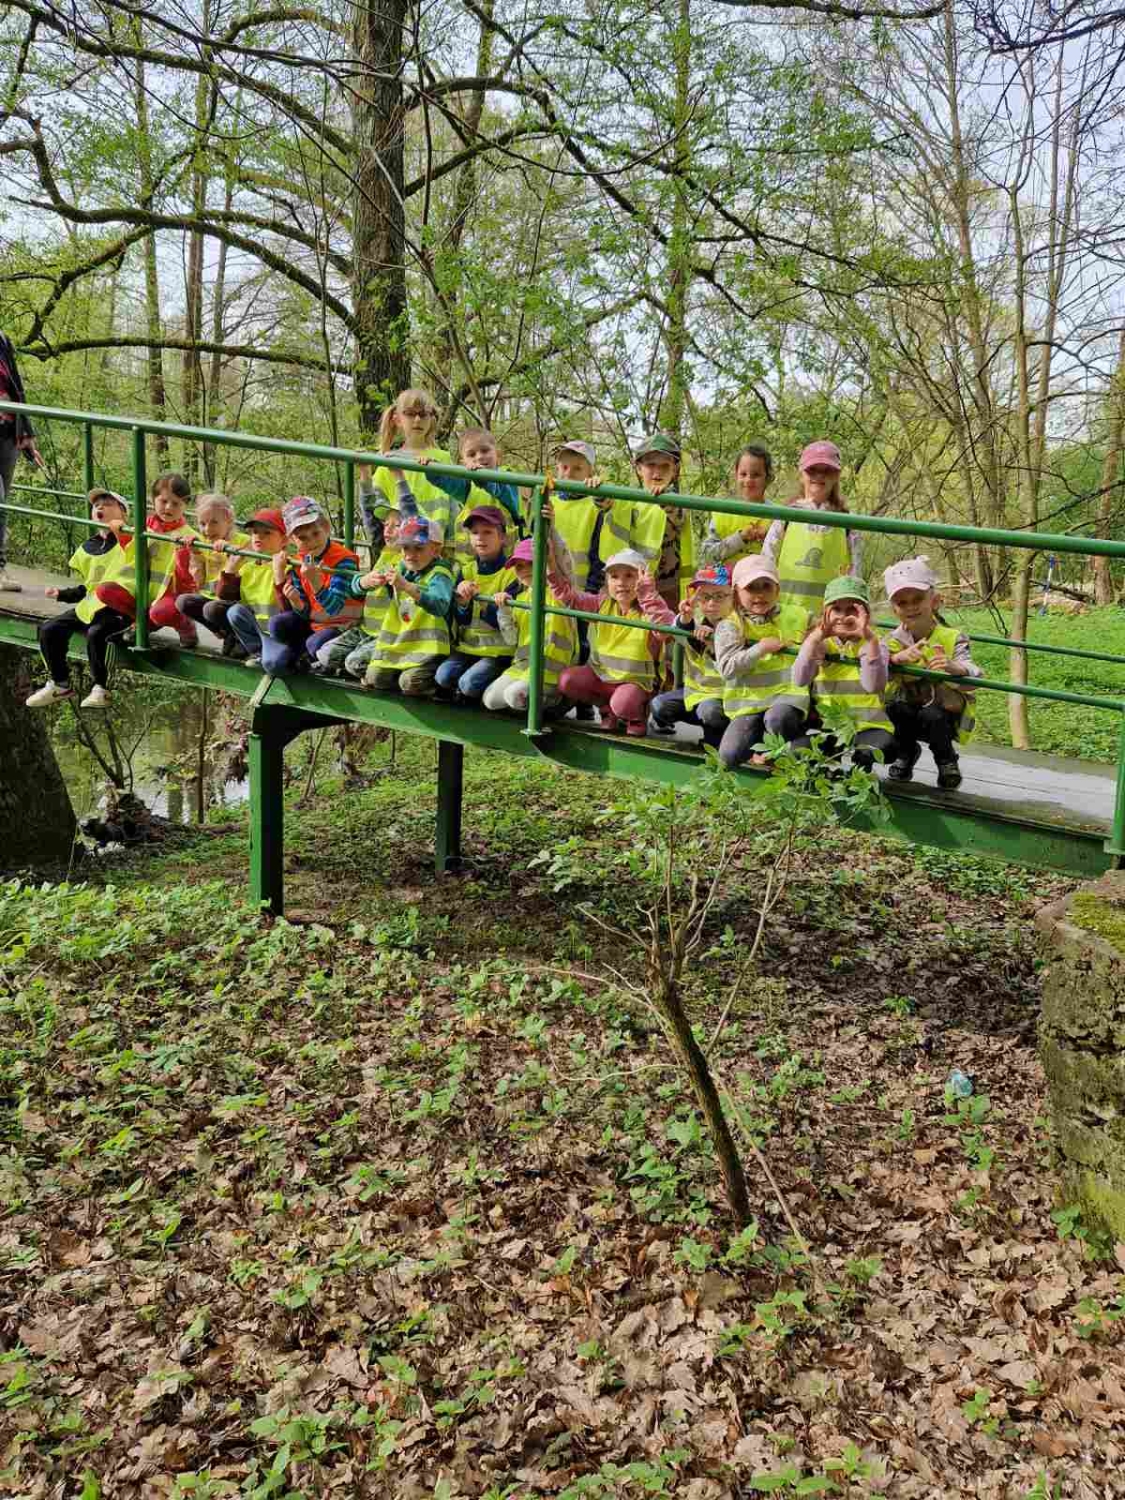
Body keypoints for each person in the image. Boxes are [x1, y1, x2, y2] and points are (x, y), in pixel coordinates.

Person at [26, 489, 132, 709]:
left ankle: (101, 688)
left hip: (119, 607)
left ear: (123, 512)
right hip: (91, 605)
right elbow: (89, 585)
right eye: (96, 505)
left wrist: (122, 531)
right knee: (49, 629)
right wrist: (63, 594)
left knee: (97, 633)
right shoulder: (90, 546)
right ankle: (60, 683)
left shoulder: (131, 541)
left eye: (108, 503)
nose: (100, 507)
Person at [883, 555, 980, 790]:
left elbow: (974, 676)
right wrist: (895, 659)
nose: (911, 607)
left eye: (918, 599)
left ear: (934, 601)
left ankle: (946, 761)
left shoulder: (953, 638)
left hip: (941, 713)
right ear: (894, 609)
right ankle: (906, 753)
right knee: (896, 709)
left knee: (933, 716)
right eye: (902, 603)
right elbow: (875, 669)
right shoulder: (891, 641)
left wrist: (953, 667)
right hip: (907, 707)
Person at [551, 546, 663, 736]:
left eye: (629, 576)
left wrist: (648, 596)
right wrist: (550, 565)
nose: (621, 583)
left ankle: (637, 716)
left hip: (635, 684)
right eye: (614, 577)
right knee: (568, 680)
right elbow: (568, 597)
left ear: (644, 579)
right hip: (603, 677)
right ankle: (606, 708)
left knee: (624, 702)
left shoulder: (651, 608)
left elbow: (665, 627)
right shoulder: (601, 603)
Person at [790, 575, 896, 772]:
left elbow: (873, 685)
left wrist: (870, 640)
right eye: (836, 609)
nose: (843, 616)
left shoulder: (875, 643)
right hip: (829, 725)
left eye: (852, 610)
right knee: (800, 749)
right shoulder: (820, 643)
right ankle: (827, 776)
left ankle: (859, 777)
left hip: (867, 724)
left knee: (873, 750)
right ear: (825, 612)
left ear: (865, 613)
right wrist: (813, 641)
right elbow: (799, 679)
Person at [714, 556, 809, 769]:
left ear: (777, 589)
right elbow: (727, 668)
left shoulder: (796, 615)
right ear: (736, 592)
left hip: (786, 699)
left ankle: (790, 753)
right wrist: (760, 649)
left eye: (766, 586)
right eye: (751, 588)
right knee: (729, 755)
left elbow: (822, 628)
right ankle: (766, 751)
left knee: (778, 718)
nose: (759, 594)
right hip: (749, 705)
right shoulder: (730, 625)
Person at [93, 471, 200, 645]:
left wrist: (186, 552)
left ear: (185, 505)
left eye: (176, 503)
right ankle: (142, 623)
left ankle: (185, 627)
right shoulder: (144, 527)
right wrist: (121, 532)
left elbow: (191, 580)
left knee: (162, 612)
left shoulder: (189, 537)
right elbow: (131, 553)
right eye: (163, 501)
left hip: (169, 592)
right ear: (153, 500)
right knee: (104, 591)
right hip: (141, 587)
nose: (168, 508)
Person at [261, 498, 361, 676]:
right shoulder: (298, 562)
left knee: (314, 643)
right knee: (277, 623)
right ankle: (298, 657)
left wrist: (316, 582)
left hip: (341, 625)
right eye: (303, 538)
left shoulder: (343, 560)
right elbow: (304, 613)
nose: (312, 542)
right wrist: (296, 602)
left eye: (316, 533)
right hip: (315, 623)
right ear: (292, 539)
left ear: (326, 528)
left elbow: (334, 609)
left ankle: (301, 658)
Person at [359, 515, 455, 696]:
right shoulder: (400, 567)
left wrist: (407, 587)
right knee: (374, 678)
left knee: (409, 682)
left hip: (431, 651)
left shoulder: (440, 574)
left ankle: (436, 687)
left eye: (418, 548)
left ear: (435, 550)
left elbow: (440, 605)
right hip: (401, 646)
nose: (410, 555)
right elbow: (359, 583)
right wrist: (364, 582)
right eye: (405, 548)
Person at [762, 441, 862, 614]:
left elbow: (856, 571)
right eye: (812, 470)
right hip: (786, 613)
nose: (819, 476)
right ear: (801, 474)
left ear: (836, 475)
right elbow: (767, 559)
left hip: (830, 616)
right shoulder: (786, 516)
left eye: (827, 471)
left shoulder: (848, 522)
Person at [483, 537, 578, 715]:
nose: (525, 570)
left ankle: (560, 701)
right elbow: (511, 640)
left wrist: (550, 540)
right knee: (490, 700)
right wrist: (504, 610)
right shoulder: (520, 599)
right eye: (519, 566)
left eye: (531, 563)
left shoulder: (560, 593)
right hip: (523, 666)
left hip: (551, 669)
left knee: (514, 696)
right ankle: (532, 700)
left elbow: (565, 561)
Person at [647, 564, 733, 749]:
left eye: (719, 596)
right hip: (695, 693)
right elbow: (680, 635)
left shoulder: (738, 624)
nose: (711, 603)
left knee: (710, 711)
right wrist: (685, 618)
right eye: (705, 597)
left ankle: (717, 740)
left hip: (725, 698)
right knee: (659, 705)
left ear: (733, 596)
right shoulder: (697, 622)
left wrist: (713, 643)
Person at [437, 505, 516, 702]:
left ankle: (493, 683)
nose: (480, 538)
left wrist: (481, 602)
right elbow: (461, 619)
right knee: (443, 676)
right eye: (475, 533)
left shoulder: (512, 574)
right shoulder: (466, 571)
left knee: (469, 684)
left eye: (488, 532)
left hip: (499, 652)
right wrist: (463, 603)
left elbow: (502, 623)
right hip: (468, 648)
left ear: (503, 537)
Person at [313, 508, 403, 680]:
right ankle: (352, 667)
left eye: (396, 526)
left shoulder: (409, 561)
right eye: (386, 525)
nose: (388, 531)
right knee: (325, 654)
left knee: (354, 663)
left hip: (389, 633)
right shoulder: (387, 553)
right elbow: (356, 587)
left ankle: (375, 673)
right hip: (368, 628)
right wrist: (364, 582)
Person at [363, 389, 456, 545]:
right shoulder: (389, 462)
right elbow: (374, 513)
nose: (418, 419)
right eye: (410, 414)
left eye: (423, 414)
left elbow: (454, 509)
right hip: (401, 549)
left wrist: (452, 546)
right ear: (397, 419)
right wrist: (364, 474)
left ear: (431, 419)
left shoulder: (443, 458)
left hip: (435, 548)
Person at [414, 427, 522, 558]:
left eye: (485, 450)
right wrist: (432, 468)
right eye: (472, 455)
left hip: (504, 562)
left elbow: (500, 491)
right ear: (464, 463)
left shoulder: (508, 479)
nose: (479, 457)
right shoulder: (467, 486)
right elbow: (446, 482)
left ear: (497, 455)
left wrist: (482, 479)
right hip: (472, 562)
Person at [174, 494, 248, 653]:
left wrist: (229, 552)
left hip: (235, 601)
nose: (207, 529)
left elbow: (247, 576)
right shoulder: (204, 543)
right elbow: (199, 582)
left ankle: (238, 636)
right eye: (202, 523)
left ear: (228, 519)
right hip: (212, 598)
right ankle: (223, 632)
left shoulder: (244, 542)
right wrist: (195, 553)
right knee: (183, 601)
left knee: (211, 609)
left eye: (214, 522)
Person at [0, 330, 45, 591]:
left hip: (7, 432)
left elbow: (17, 389)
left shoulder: (3, 340)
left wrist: (27, 435)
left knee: (3, 503)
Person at [630, 433, 695, 612]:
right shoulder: (630, 501)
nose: (657, 472)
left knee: (666, 624)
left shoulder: (678, 502)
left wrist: (665, 499)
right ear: (639, 469)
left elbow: (680, 517)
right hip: (635, 581)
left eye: (665, 466)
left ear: (675, 470)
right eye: (651, 465)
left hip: (668, 585)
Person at [216, 509, 288, 664]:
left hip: (278, 632)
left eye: (267, 533)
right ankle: (256, 651)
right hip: (256, 628)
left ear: (284, 540)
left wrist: (279, 574)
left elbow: (288, 609)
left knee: (275, 664)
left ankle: (273, 654)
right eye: (255, 532)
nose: (259, 536)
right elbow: (224, 595)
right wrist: (230, 569)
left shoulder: (288, 568)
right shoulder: (248, 566)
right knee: (234, 611)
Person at [700, 445, 772, 570]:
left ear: (767, 477)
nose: (748, 480)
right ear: (736, 475)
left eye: (756, 475)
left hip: (762, 581)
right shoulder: (723, 513)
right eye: (743, 474)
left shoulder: (777, 516)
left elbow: (784, 556)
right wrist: (740, 538)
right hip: (726, 580)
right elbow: (707, 556)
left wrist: (769, 538)